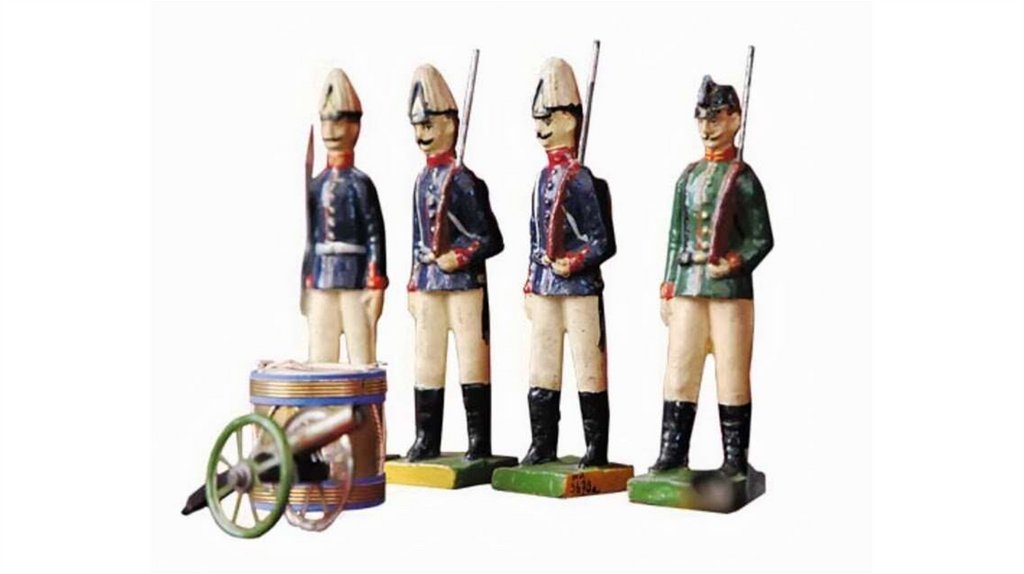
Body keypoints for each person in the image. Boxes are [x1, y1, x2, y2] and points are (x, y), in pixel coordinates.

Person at [653, 75, 774, 477]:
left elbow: (761, 238)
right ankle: (672, 453)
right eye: (702, 118)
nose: (707, 127)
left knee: (732, 372)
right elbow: (675, 236)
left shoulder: (743, 178)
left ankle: (735, 460)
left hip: (729, 293)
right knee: (680, 370)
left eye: (717, 118)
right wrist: (668, 286)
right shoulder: (688, 176)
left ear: (736, 119)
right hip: (689, 287)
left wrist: (735, 262)